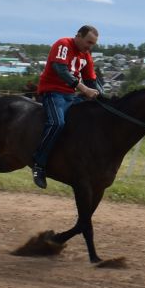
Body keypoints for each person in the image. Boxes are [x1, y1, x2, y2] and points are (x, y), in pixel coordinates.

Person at [32, 24, 102, 188]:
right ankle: (38, 165)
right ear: (78, 35)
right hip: (52, 93)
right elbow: (60, 70)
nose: (89, 47)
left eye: (93, 44)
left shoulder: (86, 56)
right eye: (88, 42)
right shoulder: (63, 44)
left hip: (71, 96)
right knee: (57, 123)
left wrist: (105, 98)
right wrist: (84, 89)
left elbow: (92, 80)